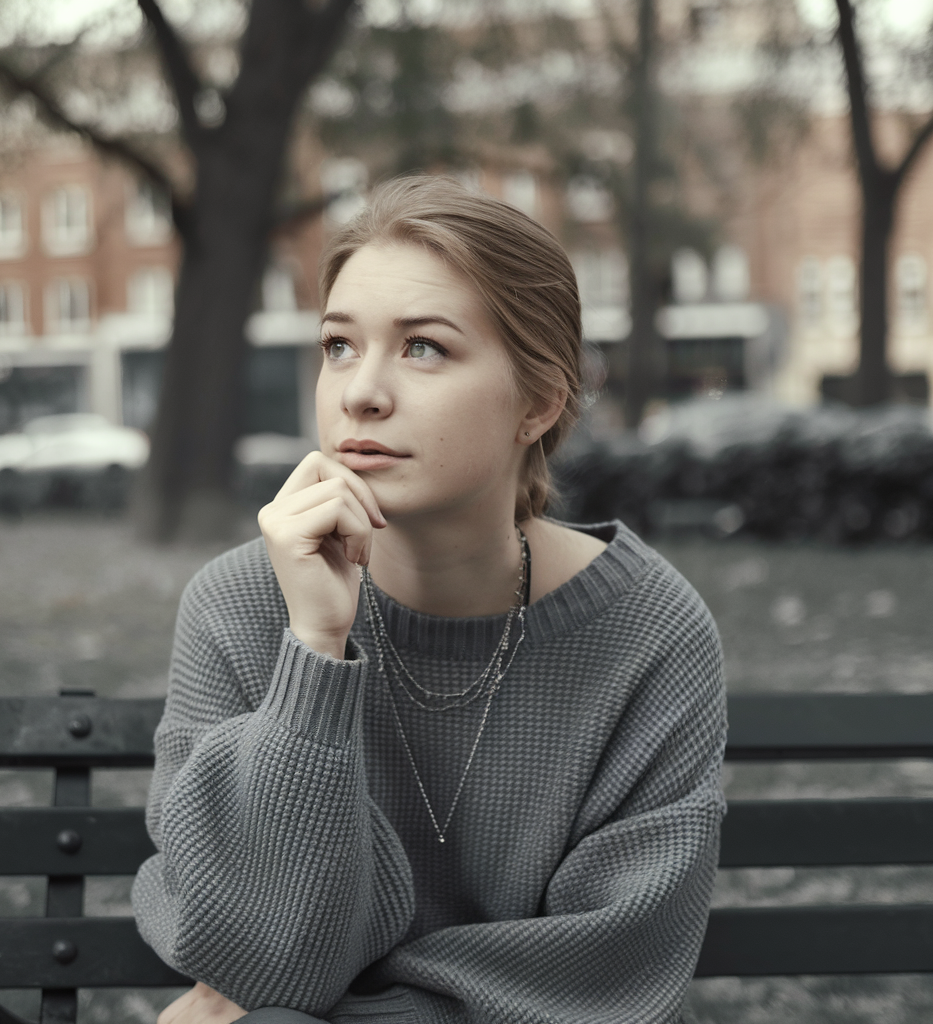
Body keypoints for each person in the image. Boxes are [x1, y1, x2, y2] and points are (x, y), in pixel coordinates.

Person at [133, 175, 726, 1024]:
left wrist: (338, 1009)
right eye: (339, 346)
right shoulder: (241, 608)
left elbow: (610, 977)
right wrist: (313, 651)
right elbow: (261, 953)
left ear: (539, 402)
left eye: (423, 348)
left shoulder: (648, 633)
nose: (360, 392)